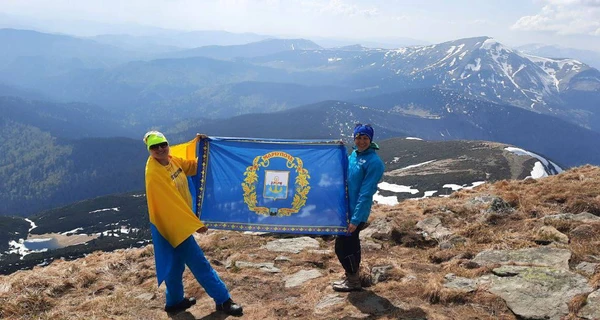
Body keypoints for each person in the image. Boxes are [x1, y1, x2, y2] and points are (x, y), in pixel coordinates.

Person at [143, 131, 243, 316]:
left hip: (175, 225)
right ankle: (223, 300)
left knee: (175, 265)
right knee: (199, 263)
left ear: (167, 144)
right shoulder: (154, 173)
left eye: (163, 144)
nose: (160, 149)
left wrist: (207, 149)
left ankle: (174, 303)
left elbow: (195, 167)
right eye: (154, 147)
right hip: (172, 226)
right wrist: (195, 223)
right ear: (149, 150)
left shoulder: (173, 161)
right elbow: (172, 205)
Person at [332, 124, 385, 292]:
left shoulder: (374, 162)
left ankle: (353, 280)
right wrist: (337, 150)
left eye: (365, 138)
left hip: (357, 213)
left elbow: (366, 193)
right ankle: (352, 276)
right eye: (358, 138)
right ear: (354, 138)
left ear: (371, 140)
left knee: (344, 246)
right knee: (348, 244)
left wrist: (355, 219)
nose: (361, 141)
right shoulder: (354, 154)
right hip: (345, 210)